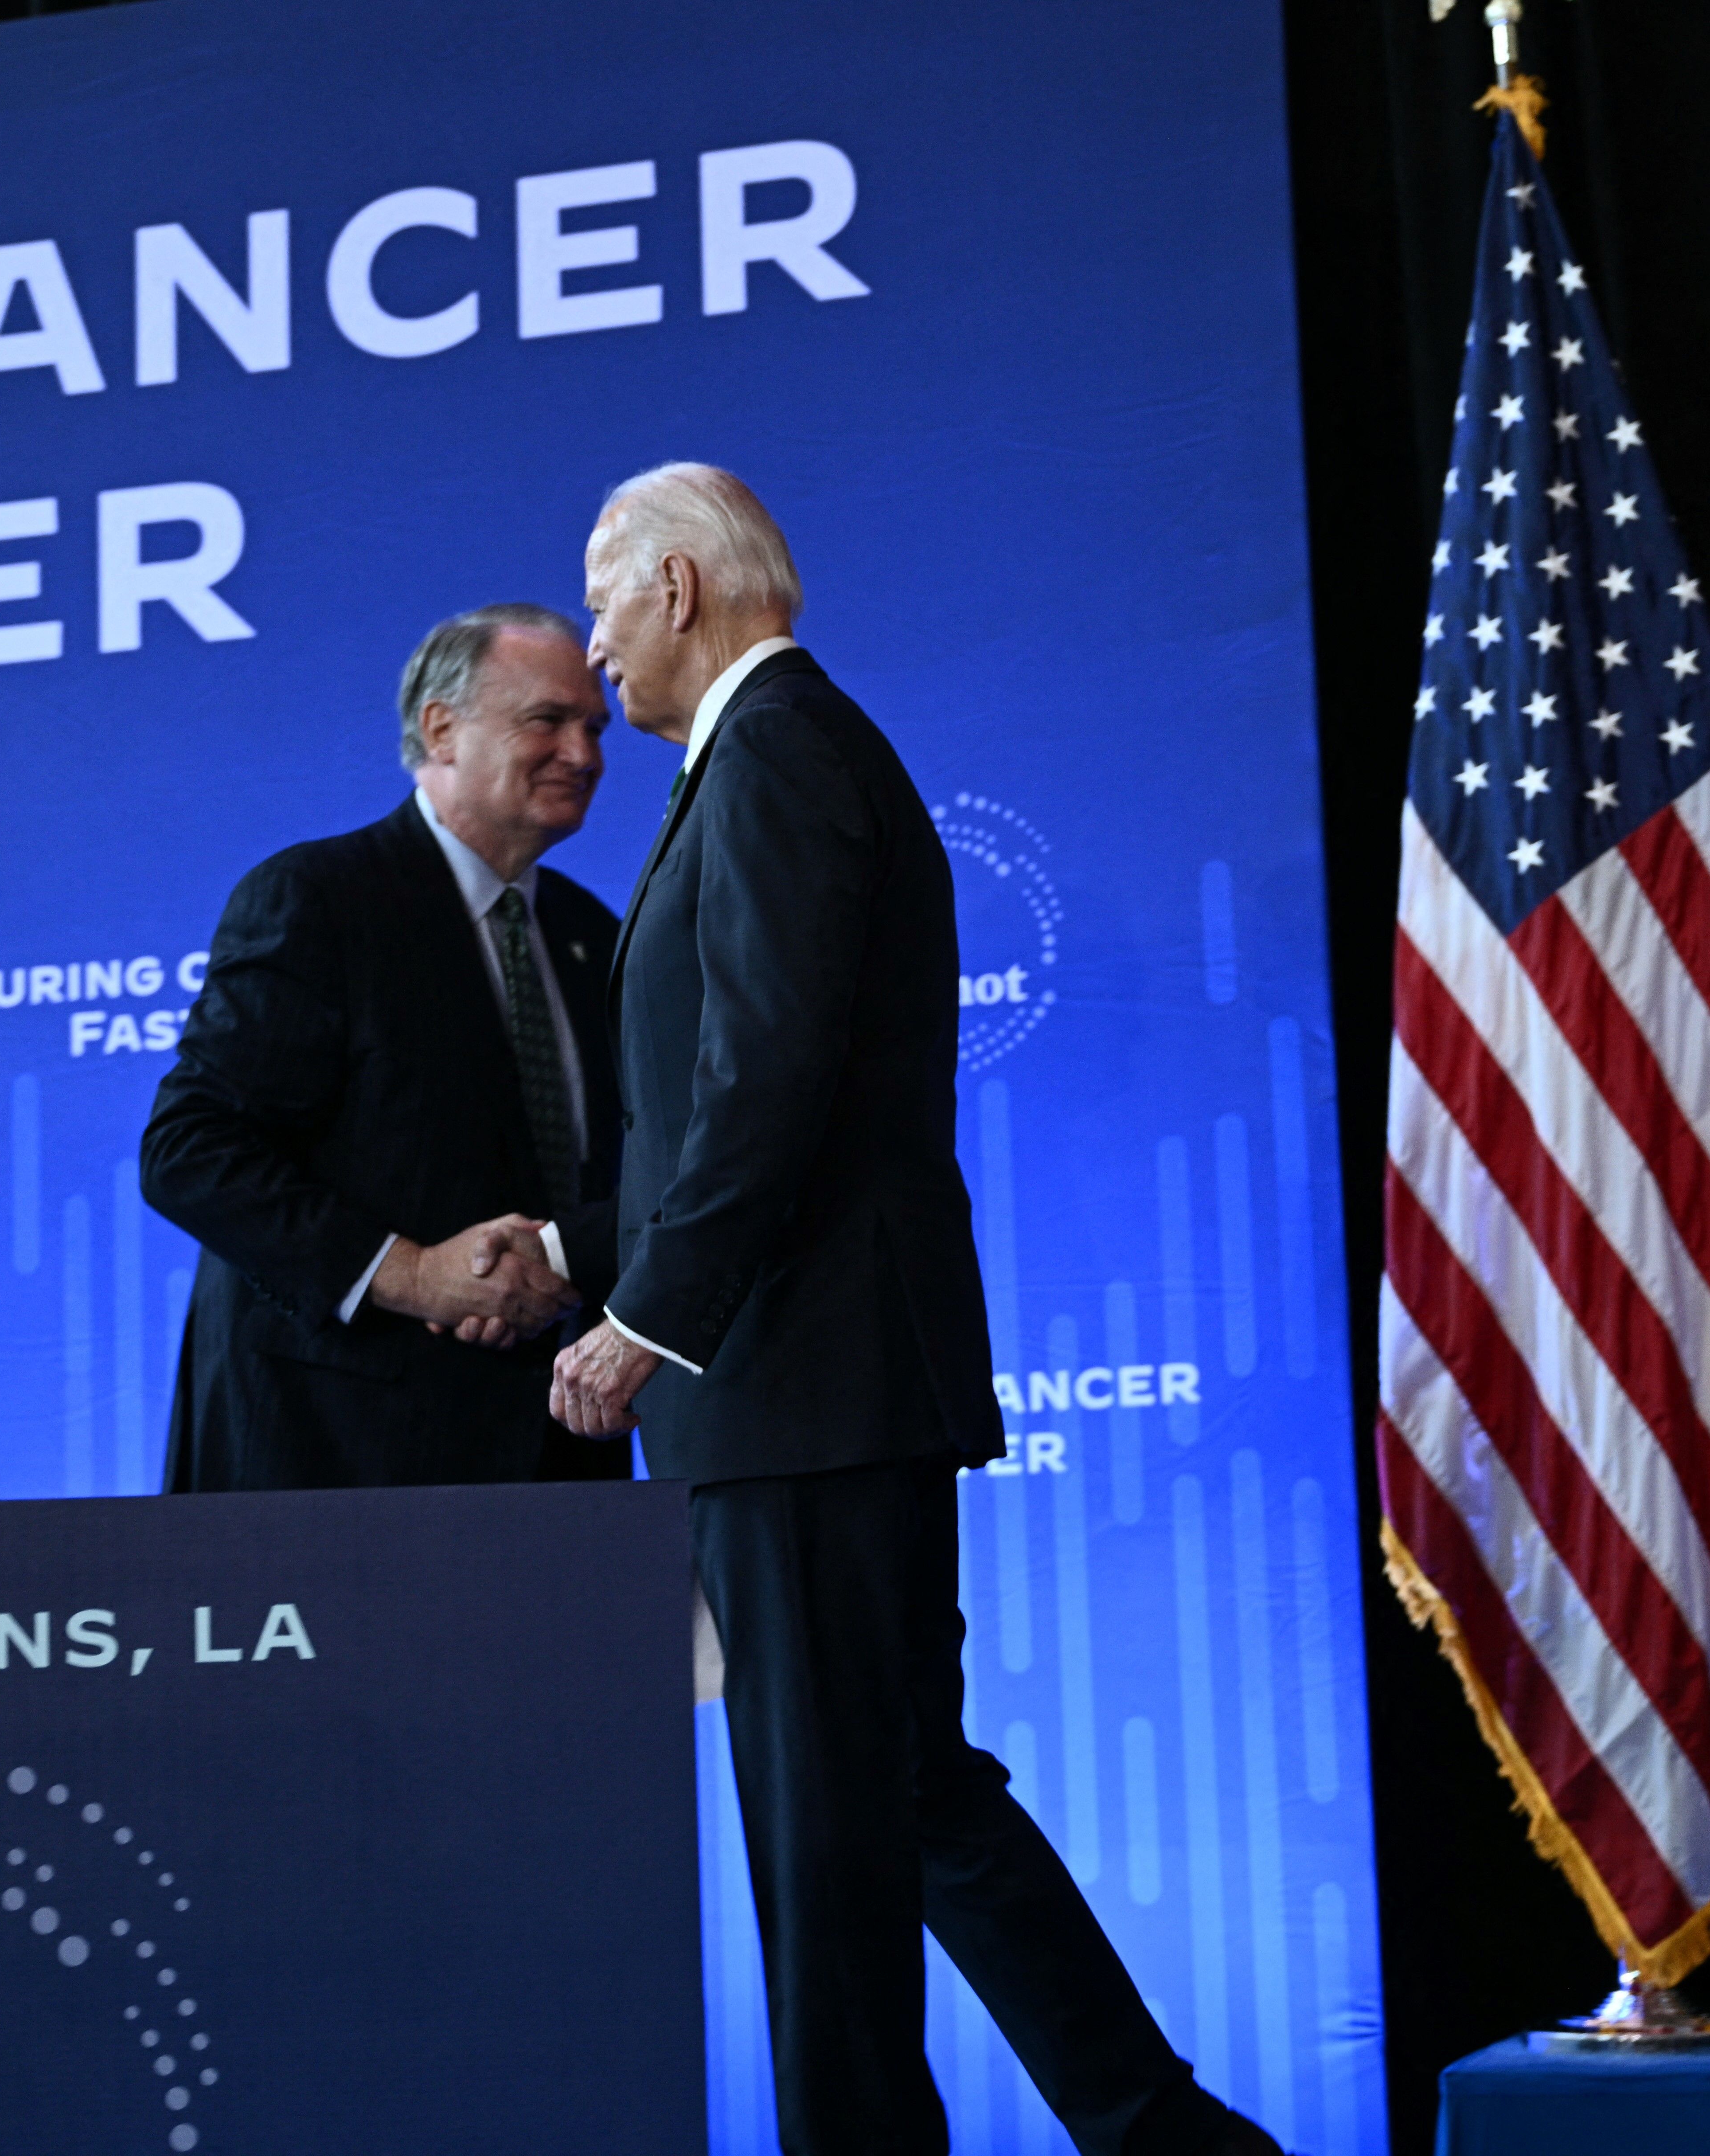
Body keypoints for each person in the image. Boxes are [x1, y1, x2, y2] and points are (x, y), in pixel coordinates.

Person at [547, 464, 1281, 2156]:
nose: (595, 652)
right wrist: (582, 1244)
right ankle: (1166, 2133)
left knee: (823, 1832)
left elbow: (771, 1077)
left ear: (672, 586)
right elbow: (731, 1098)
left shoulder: (779, 752)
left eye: (599, 606)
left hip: (795, 1382)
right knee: (906, 1794)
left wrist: (651, 1316)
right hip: (815, 1378)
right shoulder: (776, 753)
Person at [142, 603, 627, 1491]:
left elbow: (625, 1182)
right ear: (442, 728)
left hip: (557, 1467)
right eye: (547, 721)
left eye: (594, 726)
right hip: (331, 1466)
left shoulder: (596, 937)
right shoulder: (319, 900)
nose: (586, 755)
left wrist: (553, 1270)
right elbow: (191, 1152)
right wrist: (414, 1273)